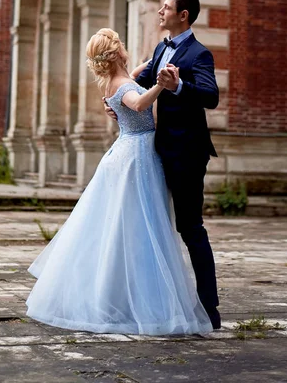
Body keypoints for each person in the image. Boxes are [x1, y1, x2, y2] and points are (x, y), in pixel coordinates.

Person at [26, 28, 213, 336]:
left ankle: (118, 291)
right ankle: (131, 298)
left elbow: (135, 76)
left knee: (125, 225)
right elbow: (138, 105)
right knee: (139, 225)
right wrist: (160, 87)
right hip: (136, 155)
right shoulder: (125, 85)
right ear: (117, 53)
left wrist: (145, 70)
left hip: (128, 152)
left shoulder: (121, 79)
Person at [122, 0, 221, 330]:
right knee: (152, 224)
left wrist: (179, 87)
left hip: (188, 154)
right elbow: (144, 85)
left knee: (189, 227)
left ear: (184, 15)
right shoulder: (161, 48)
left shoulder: (199, 55)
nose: (160, 12)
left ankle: (209, 306)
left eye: (166, 8)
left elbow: (211, 96)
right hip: (157, 150)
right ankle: (154, 300)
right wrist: (118, 99)